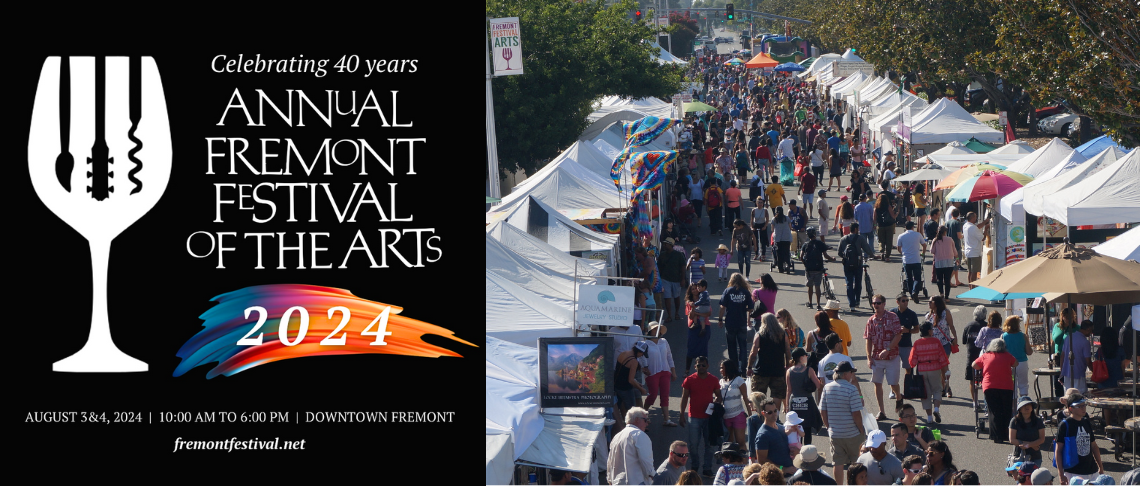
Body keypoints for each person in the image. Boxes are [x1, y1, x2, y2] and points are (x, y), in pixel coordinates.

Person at [820, 361, 867, 483]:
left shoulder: (827, 388)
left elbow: (822, 410)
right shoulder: (852, 389)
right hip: (852, 433)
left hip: (835, 433)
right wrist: (861, 429)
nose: (852, 375)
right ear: (845, 374)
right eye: (851, 372)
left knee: (838, 462)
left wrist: (828, 426)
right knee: (857, 462)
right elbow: (856, 414)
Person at [680, 356, 723, 477]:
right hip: (694, 417)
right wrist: (681, 415)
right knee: (693, 445)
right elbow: (684, 398)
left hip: (709, 418)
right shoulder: (689, 380)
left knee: (709, 445)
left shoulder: (713, 380)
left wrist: (716, 403)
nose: (701, 367)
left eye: (703, 365)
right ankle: (694, 466)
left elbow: (718, 396)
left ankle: (707, 468)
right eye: (699, 365)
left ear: (708, 366)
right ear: (695, 366)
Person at [865, 292, 905, 419]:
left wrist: (888, 349)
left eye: (878, 303)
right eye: (874, 303)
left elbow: (898, 335)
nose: (876, 305)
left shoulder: (892, 317)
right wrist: (868, 357)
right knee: (877, 383)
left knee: (893, 384)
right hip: (877, 357)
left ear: (884, 304)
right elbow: (868, 339)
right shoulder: (871, 320)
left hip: (892, 356)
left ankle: (899, 396)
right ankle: (881, 411)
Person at [972, 338, 1017, 444]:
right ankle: (1006, 434)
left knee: (994, 411)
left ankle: (996, 436)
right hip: (1006, 386)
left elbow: (974, 365)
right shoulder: (1007, 356)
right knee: (1006, 410)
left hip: (990, 386)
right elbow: (1016, 364)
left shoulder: (985, 356)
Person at [1055, 392, 1104, 483]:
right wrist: (1061, 475)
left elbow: (1094, 446)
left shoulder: (1086, 421)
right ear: (1071, 409)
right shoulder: (1065, 425)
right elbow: (1058, 451)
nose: (1083, 408)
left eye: (1084, 405)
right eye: (1079, 406)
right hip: (1073, 473)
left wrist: (1100, 467)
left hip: (1092, 470)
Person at [747, 313, 790, 415]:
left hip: (761, 370)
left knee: (759, 395)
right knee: (777, 394)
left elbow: (753, 353)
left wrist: (749, 366)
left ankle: (761, 416)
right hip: (778, 370)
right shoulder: (783, 334)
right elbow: (788, 351)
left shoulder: (759, 335)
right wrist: (787, 365)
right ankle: (775, 415)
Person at [908, 322, 949, 423]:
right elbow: (942, 357)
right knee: (937, 389)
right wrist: (946, 370)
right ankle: (936, 409)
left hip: (922, 369)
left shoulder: (917, 343)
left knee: (925, 393)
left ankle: (929, 417)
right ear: (929, 331)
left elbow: (912, 361)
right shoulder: (936, 341)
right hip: (934, 368)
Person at [785, 347, 823, 445]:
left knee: (796, 427)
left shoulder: (789, 371)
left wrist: (786, 406)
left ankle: (797, 449)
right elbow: (818, 385)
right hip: (807, 402)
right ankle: (807, 451)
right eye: (805, 355)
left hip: (794, 402)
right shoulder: (809, 370)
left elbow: (789, 390)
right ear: (801, 358)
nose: (806, 357)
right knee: (807, 428)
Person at [609, 407, 655, 485]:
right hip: (636, 481)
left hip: (617, 482)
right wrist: (653, 475)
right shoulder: (639, 435)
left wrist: (610, 479)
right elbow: (646, 460)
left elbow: (610, 460)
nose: (647, 424)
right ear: (637, 419)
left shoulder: (617, 436)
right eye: (645, 420)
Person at [719, 273, 755, 373]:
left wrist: (720, 319)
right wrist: (744, 309)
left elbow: (722, 307)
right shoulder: (745, 292)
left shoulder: (728, 291)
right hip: (742, 323)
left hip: (730, 323)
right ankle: (743, 368)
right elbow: (751, 308)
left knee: (731, 346)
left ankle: (734, 368)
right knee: (743, 346)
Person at [645, 323, 679, 426]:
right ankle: (643, 415)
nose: (657, 331)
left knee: (665, 395)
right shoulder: (645, 343)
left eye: (658, 329)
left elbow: (669, 356)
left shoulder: (664, 341)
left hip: (665, 371)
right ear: (650, 331)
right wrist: (644, 367)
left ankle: (666, 419)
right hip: (652, 372)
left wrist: (673, 371)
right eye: (654, 329)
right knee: (653, 395)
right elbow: (641, 357)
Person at [924, 296, 957, 397]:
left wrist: (955, 337)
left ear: (936, 303)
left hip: (944, 344)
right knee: (937, 368)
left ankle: (947, 388)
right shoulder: (928, 316)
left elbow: (951, 326)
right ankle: (941, 387)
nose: (929, 303)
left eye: (931, 301)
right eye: (928, 301)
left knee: (944, 367)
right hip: (932, 346)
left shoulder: (945, 313)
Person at [838, 222, 875, 310]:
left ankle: (852, 304)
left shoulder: (843, 239)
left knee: (849, 284)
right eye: (858, 229)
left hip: (847, 265)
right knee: (858, 283)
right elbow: (867, 249)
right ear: (855, 229)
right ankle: (857, 301)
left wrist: (846, 257)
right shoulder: (860, 238)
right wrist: (872, 255)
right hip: (858, 264)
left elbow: (839, 252)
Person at [719, 360, 751, 456]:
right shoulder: (721, 382)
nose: (720, 370)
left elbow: (745, 398)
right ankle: (732, 465)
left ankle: (744, 464)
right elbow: (719, 398)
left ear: (728, 368)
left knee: (740, 442)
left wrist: (750, 415)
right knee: (729, 444)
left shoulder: (739, 380)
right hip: (726, 416)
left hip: (738, 415)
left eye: (722, 368)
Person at [753, 396, 794, 471]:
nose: (774, 414)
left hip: (791, 471)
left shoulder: (781, 427)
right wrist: (784, 469)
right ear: (763, 413)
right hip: (777, 477)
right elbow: (762, 461)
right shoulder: (763, 435)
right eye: (770, 412)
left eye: (775, 410)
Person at [801, 226, 837, 309]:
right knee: (817, 286)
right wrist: (832, 259)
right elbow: (825, 255)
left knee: (810, 286)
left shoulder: (805, 245)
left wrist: (805, 264)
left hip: (809, 269)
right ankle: (818, 304)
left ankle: (810, 303)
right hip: (818, 268)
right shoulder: (819, 243)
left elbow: (801, 257)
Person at [1009, 396, 1046, 467]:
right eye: (1024, 405)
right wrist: (1029, 445)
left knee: (1033, 477)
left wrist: (1028, 445)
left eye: (1029, 404)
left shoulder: (1038, 421)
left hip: (1035, 457)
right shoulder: (1014, 421)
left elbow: (1042, 439)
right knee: (1020, 477)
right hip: (1019, 457)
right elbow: (1012, 440)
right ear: (1019, 408)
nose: (1027, 407)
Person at [891, 293, 920, 383]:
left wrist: (908, 330)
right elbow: (887, 327)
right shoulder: (892, 313)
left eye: (907, 300)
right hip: (893, 345)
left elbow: (917, 329)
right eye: (903, 301)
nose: (906, 302)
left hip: (906, 345)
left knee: (909, 367)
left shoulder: (912, 314)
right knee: (893, 368)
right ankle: (894, 389)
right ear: (897, 302)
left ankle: (908, 386)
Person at [685, 281, 712, 374]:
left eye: (696, 288)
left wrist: (697, 313)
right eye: (692, 289)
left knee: (703, 350)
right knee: (691, 349)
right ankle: (687, 370)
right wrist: (693, 308)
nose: (695, 290)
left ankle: (704, 371)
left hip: (705, 326)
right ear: (690, 291)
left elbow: (709, 313)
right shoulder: (689, 302)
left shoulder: (704, 298)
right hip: (693, 328)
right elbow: (691, 316)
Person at [659, 238, 688, 323]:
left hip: (676, 279)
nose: (664, 246)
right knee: (667, 297)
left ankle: (677, 313)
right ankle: (669, 315)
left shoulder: (679, 255)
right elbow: (659, 267)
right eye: (664, 244)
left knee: (676, 297)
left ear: (671, 245)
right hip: (665, 279)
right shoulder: (662, 255)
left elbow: (683, 267)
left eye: (666, 244)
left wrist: (683, 279)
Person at [1061, 319, 1094, 394]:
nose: (1091, 333)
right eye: (1091, 330)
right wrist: (1094, 372)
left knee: (1068, 396)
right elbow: (1088, 361)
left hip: (1066, 373)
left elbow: (1062, 355)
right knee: (1079, 396)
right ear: (1088, 329)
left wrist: (1061, 371)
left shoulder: (1068, 337)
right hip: (1079, 373)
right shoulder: (1085, 342)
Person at [896, 222, 927, 300]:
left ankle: (911, 293)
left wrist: (903, 253)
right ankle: (915, 291)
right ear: (913, 227)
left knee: (909, 277)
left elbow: (898, 248)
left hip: (907, 260)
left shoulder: (901, 236)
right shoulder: (918, 235)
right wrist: (922, 253)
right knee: (917, 277)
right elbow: (924, 245)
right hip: (916, 259)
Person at [961, 212, 989, 287]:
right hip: (975, 252)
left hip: (968, 251)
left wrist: (985, 221)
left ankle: (970, 287)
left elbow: (977, 227)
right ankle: (973, 287)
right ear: (972, 218)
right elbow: (982, 238)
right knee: (974, 272)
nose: (976, 218)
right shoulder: (973, 228)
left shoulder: (965, 225)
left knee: (970, 271)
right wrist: (986, 229)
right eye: (975, 217)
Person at [746, 391, 769, 464]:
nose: (748, 404)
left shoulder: (752, 419)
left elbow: (752, 440)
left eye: (750, 401)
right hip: (771, 454)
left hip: (757, 455)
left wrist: (752, 457)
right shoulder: (773, 417)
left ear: (756, 403)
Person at [874, 192, 898, 261]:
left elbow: (874, 217)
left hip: (880, 225)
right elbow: (893, 216)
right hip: (889, 225)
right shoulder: (888, 206)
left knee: (881, 240)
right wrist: (897, 214)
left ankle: (882, 252)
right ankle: (887, 256)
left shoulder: (876, 207)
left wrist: (875, 225)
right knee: (889, 241)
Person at [946, 208, 964, 287]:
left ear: (951, 214)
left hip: (948, 245)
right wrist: (964, 235)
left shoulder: (947, 222)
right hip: (956, 245)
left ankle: (957, 280)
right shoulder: (957, 223)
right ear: (958, 215)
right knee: (957, 263)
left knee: (952, 263)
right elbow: (959, 236)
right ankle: (948, 280)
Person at [771, 207, 793, 273]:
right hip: (786, 237)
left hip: (778, 238)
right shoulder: (787, 218)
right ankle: (788, 264)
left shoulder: (774, 219)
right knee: (786, 252)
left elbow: (772, 229)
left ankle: (780, 268)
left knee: (779, 253)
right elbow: (790, 227)